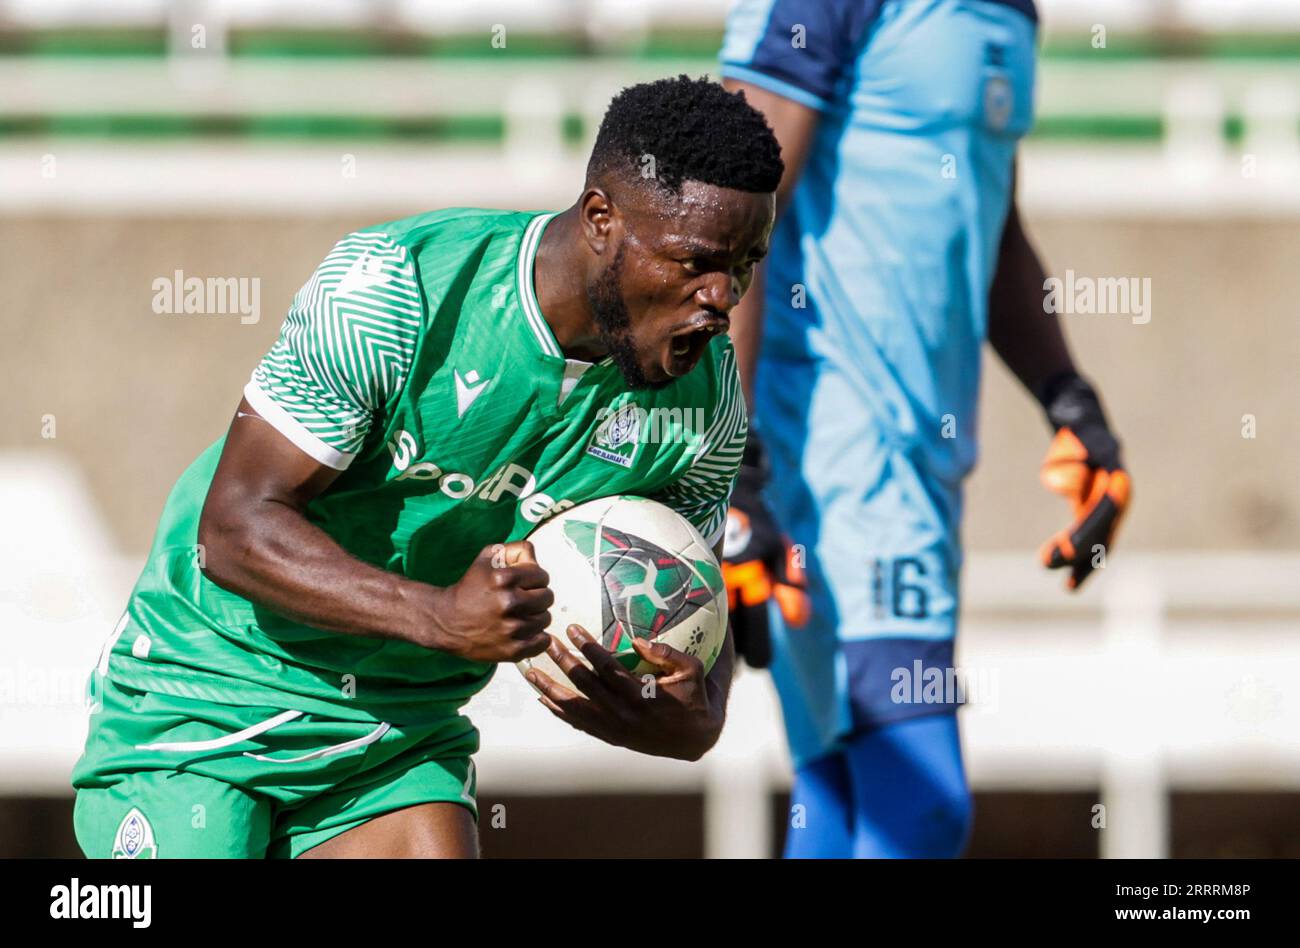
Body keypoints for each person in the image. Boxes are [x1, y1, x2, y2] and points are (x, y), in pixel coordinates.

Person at [72, 75, 781, 859]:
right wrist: (442, 615)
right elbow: (234, 528)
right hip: (201, 704)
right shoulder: (394, 288)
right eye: (694, 262)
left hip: (395, 736)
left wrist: (698, 716)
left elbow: (698, 605)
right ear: (602, 220)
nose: (723, 299)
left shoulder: (705, 404)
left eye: (746, 264)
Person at [718, 0, 1132, 857]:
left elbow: (995, 229)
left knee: (839, 790)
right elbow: (728, 204)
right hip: (828, 454)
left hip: (925, 466)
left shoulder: (1012, 13)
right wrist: (735, 460)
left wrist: (1069, 399)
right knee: (921, 797)